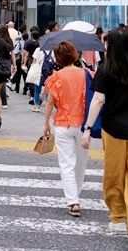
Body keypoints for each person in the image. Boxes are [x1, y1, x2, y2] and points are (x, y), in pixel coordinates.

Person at [81, 27, 128, 249]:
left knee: (114, 174)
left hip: (113, 131)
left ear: (110, 46)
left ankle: (117, 218)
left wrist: (87, 128)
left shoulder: (106, 69)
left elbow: (98, 100)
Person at [42, 41, 90, 217]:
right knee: (81, 162)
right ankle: (76, 194)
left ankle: (73, 201)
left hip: (63, 123)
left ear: (58, 58)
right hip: (84, 124)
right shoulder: (87, 74)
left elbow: (50, 102)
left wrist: (46, 123)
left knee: (66, 163)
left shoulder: (56, 76)